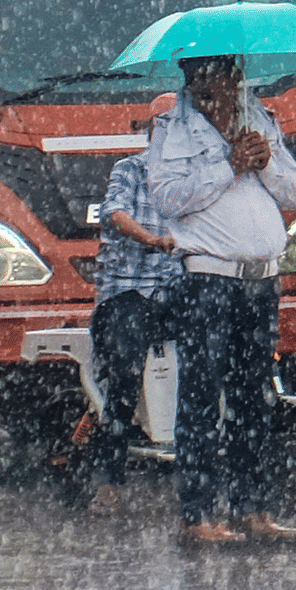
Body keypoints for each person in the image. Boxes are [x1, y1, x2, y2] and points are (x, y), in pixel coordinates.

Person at [147, 54, 296, 544]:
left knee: (252, 398)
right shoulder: (171, 131)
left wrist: (266, 162)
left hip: (262, 282)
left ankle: (250, 508)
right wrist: (227, 165)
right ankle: (197, 516)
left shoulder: (261, 121)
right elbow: (167, 199)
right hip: (208, 283)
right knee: (201, 398)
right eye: (219, 73)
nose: (232, 82)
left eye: (234, 72)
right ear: (195, 79)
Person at [85, 93, 183, 516]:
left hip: (177, 288)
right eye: (166, 123)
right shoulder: (130, 169)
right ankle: (109, 479)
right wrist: (152, 239)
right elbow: (115, 213)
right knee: (124, 372)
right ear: (151, 128)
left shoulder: (193, 177)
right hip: (129, 289)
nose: (173, 132)